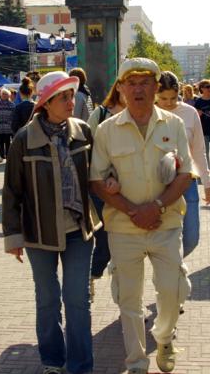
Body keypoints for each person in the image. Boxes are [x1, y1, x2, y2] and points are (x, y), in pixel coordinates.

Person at [90, 58, 193, 374]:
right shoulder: (107, 130)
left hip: (167, 223)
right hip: (124, 227)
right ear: (120, 89)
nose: (138, 89)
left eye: (145, 82)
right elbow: (95, 179)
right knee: (130, 301)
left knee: (173, 289)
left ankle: (164, 338)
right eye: (131, 83)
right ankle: (136, 362)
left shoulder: (172, 124)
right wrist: (134, 211)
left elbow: (185, 173)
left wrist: (156, 207)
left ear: (156, 87)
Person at [2, 71, 100, 374]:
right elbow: (12, 191)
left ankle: (81, 366)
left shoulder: (83, 131)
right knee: (47, 300)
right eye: (65, 97)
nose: (72, 102)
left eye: (72, 96)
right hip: (38, 233)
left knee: (77, 301)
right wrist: (13, 236)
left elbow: (97, 178)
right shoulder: (23, 140)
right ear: (46, 102)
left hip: (79, 232)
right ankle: (53, 361)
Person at [156, 71, 210, 258]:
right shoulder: (149, 113)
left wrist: (207, 184)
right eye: (163, 98)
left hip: (187, 181)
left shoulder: (189, 113)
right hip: (158, 184)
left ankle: (172, 266)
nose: (168, 103)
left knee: (191, 238)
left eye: (173, 98)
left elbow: (198, 150)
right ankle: (169, 272)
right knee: (164, 238)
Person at [86, 80, 126, 298]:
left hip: (130, 188)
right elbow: (88, 149)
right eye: (128, 84)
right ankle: (92, 275)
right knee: (105, 239)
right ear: (118, 87)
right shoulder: (101, 114)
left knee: (126, 242)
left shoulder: (140, 115)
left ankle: (124, 295)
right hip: (101, 187)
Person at [0, 88, 16, 163]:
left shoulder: (11, 104)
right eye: (3, 94)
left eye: (5, 94)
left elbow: (14, 115)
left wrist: (12, 124)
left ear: (9, 95)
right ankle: (1, 156)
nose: (4, 95)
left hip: (8, 127)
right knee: (0, 142)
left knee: (7, 142)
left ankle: (8, 156)